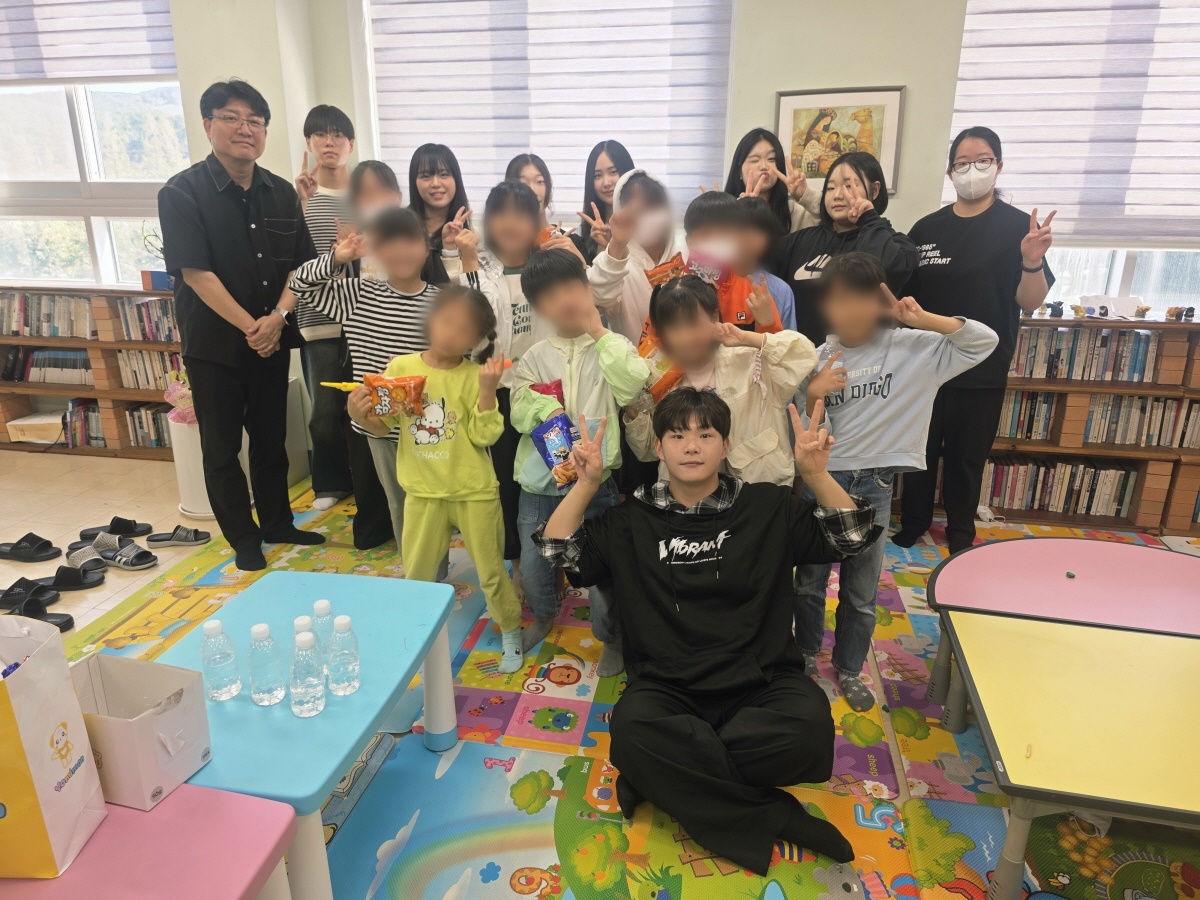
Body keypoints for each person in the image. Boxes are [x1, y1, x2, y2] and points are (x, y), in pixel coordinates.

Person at [534, 388, 877, 874]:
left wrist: (816, 474)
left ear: (725, 445)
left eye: (705, 435)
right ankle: (773, 814)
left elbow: (853, 538)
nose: (691, 446)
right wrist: (585, 485)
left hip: (761, 680)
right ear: (658, 447)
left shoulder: (768, 506)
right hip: (666, 686)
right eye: (677, 436)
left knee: (810, 728)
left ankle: (659, 777)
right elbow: (558, 553)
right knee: (632, 730)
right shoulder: (629, 521)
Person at [794, 253, 998, 711]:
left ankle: (849, 667)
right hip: (824, 476)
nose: (849, 309)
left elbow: (984, 342)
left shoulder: (915, 347)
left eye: (861, 297)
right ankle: (805, 655)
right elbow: (802, 428)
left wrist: (925, 319)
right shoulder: (819, 356)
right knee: (809, 581)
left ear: (880, 301)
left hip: (875, 484)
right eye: (838, 299)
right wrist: (812, 393)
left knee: (861, 592)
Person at [158, 79, 322, 572]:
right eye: (231, 118)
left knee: (272, 440)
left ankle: (277, 522)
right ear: (208, 125)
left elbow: (300, 266)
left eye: (255, 121)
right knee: (222, 448)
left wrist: (277, 318)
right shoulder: (181, 193)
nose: (244, 129)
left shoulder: (280, 193)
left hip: (271, 339)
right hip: (215, 346)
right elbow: (196, 274)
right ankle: (243, 538)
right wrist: (256, 327)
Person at [895, 127, 1056, 553]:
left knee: (967, 457)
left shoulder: (1019, 227)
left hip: (983, 366)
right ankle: (914, 521)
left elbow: (1030, 301)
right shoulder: (927, 228)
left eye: (982, 161)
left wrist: (1032, 261)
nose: (972, 170)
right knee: (919, 451)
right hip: (926, 366)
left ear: (998, 166)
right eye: (962, 163)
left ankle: (961, 531)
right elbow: (906, 300)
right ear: (950, 172)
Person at [346, 286, 523, 672]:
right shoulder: (400, 368)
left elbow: (485, 436)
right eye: (446, 321)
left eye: (464, 330)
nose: (451, 333)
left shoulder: (475, 375)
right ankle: (414, 632)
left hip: (474, 490)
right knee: (418, 573)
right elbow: (384, 427)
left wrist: (488, 391)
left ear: (476, 340)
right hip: (422, 491)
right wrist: (358, 414)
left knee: (491, 570)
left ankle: (510, 628)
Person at [511, 249, 650, 675]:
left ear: (588, 289)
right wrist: (546, 409)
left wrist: (598, 331)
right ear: (538, 308)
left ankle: (612, 637)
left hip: (595, 483)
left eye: (571, 288)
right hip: (539, 485)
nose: (564, 300)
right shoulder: (534, 355)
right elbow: (517, 408)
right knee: (533, 566)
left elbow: (632, 387)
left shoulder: (614, 345)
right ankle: (544, 614)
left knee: (603, 569)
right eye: (550, 296)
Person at [287, 208, 444, 576]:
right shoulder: (356, 294)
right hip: (378, 426)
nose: (401, 251)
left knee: (433, 503)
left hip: (428, 427)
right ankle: (418, 574)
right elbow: (299, 285)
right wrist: (337, 258)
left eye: (410, 241)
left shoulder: (441, 301)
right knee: (400, 504)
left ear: (426, 249)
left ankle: (436, 568)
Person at [442, 180, 556, 594]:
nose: (511, 222)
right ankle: (520, 564)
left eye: (521, 213)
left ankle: (555, 558)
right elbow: (481, 329)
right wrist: (469, 261)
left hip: (549, 394)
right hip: (501, 394)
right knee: (507, 484)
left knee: (556, 475)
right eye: (501, 213)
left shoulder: (550, 267)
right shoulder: (481, 272)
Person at [626, 275, 815, 485]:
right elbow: (647, 451)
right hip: (687, 496)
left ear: (714, 316)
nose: (685, 337)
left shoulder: (748, 358)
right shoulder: (655, 374)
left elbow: (805, 356)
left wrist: (748, 338)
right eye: (673, 326)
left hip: (758, 489)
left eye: (692, 323)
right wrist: (629, 401)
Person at [770, 151, 918, 345]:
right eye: (831, 188)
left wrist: (869, 218)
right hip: (804, 359)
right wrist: (747, 214)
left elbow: (886, 271)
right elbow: (755, 267)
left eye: (849, 186)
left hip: (868, 360)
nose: (838, 195)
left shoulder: (897, 244)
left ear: (874, 190)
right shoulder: (800, 240)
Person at [293, 104, 356, 511]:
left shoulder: (365, 195)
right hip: (318, 319)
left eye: (337, 135)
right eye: (320, 134)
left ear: (352, 144)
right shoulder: (300, 197)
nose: (329, 142)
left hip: (364, 317)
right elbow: (290, 257)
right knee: (325, 408)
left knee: (370, 402)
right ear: (309, 143)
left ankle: (367, 479)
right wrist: (301, 204)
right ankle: (331, 483)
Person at [683, 191, 783, 332]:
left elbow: (777, 345)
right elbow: (654, 343)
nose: (716, 242)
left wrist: (767, 323)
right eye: (706, 235)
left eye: (725, 234)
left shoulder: (755, 297)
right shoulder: (674, 292)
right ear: (690, 242)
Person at [724, 127, 820, 233]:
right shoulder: (728, 212)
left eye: (771, 159)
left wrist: (806, 196)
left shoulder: (796, 212)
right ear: (739, 172)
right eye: (755, 160)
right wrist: (744, 210)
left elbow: (830, 222)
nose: (764, 166)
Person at [504, 152, 590, 260]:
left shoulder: (571, 243)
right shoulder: (504, 244)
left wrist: (578, 261)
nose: (533, 191)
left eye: (540, 182)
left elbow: (588, 271)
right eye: (523, 184)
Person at [408, 143, 469, 281]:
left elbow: (468, 290)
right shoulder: (402, 228)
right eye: (425, 176)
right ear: (414, 182)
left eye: (444, 174)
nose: (435, 183)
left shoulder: (469, 235)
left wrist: (451, 250)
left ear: (456, 179)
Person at [736, 195, 797, 331]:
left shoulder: (780, 290)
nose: (750, 239)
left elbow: (790, 341)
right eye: (742, 230)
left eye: (759, 232)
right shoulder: (714, 281)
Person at [578, 139, 634, 260]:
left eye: (613, 172)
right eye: (598, 175)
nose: (606, 183)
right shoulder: (588, 232)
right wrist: (606, 247)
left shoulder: (646, 222)